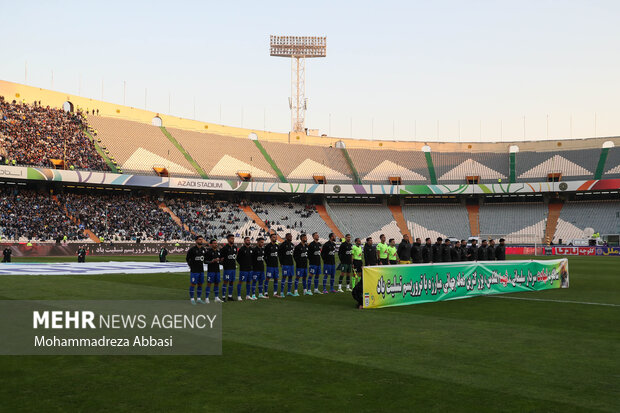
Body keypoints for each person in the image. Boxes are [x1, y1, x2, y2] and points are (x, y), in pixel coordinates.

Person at [186, 236, 206, 305]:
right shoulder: (192, 250)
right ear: (196, 241)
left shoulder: (204, 249)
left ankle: (199, 299)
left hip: (201, 270)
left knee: (200, 284)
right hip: (194, 270)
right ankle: (192, 299)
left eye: (201, 239)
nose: (201, 241)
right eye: (199, 240)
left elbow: (205, 259)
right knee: (193, 284)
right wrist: (191, 266)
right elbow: (187, 258)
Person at [221, 234, 238, 301]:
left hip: (233, 267)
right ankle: (223, 297)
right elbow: (221, 259)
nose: (232, 240)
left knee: (231, 282)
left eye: (233, 238)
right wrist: (225, 264)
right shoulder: (224, 248)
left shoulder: (235, 247)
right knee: (225, 282)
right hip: (227, 268)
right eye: (231, 238)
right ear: (228, 239)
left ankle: (230, 296)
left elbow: (235, 256)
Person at [205, 239, 223, 303]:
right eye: (214, 243)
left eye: (216, 243)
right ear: (211, 244)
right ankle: (206, 298)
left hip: (217, 270)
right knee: (209, 284)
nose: (216, 244)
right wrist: (212, 261)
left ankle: (216, 297)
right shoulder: (208, 252)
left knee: (217, 283)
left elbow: (220, 261)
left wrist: (221, 261)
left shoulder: (218, 252)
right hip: (211, 270)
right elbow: (205, 261)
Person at [264, 233, 280, 297]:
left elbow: (279, 255)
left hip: (276, 266)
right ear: (270, 238)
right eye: (273, 237)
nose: (275, 238)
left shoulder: (277, 246)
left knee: (276, 278)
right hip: (270, 266)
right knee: (268, 278)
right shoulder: (267, 246)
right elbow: (264, 256)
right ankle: (265, 293)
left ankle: (275, 293)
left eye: (275, 237)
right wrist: (268, 263)